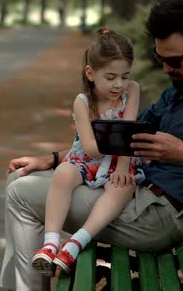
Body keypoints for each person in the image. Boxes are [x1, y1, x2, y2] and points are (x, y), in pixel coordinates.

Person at [0, 0, 183, 291]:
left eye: (173, 61)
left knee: (20, 193)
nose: (165, 69)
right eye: (160, 59)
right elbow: (117, 138)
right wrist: (52, 160)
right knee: (20, 178)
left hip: (157, 215)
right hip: (141, 198)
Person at [31, 29, 145, 276]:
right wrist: (114, 140)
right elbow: (91, 149)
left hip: (121, 157)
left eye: (125, 76)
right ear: (90, 74)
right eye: (111, 77)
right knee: (62, 174)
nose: (119, 85)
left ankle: (76, 243)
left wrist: (123, 167)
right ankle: (50, 242)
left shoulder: (132, 90)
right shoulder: (82, 102)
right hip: (87, 157)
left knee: (122, 188)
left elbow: (128, 129)